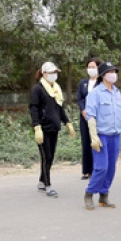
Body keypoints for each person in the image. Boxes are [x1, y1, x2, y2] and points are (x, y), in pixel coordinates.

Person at [83, 62, 121, 210]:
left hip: (115, 135)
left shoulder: (117, 92)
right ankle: (89, 193)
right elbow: (90, 116)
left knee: (111, 168)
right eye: (110, 72)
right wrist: (94, 137)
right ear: (103, 75)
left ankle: (104, 195)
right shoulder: (95, 93)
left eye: (115, 71)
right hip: (101, 135)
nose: (113, 74)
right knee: (101, 167)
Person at [29, 61, 76, 198]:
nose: (54, 75)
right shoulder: (38, 89)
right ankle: (48, 185)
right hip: (42, 128)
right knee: (46, 156)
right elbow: (33, 108)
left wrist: (67, 122)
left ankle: (41, 182)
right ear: (44, 74)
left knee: (51, 157)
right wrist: (36, 127)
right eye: (51, 73)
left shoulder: (56, 89)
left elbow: (59, 109)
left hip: (54, 127)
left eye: (55, 72)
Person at [76, 58, 101, 180]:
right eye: (89, 67)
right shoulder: (83, 83)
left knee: (96, 142)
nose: (91, 69)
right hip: (85, 117)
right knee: (86, 142)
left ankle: (97, 169)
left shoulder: (101, 82)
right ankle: (86, 171)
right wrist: (83, 110)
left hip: (97, 117)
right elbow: (79, 98)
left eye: (93, 67)